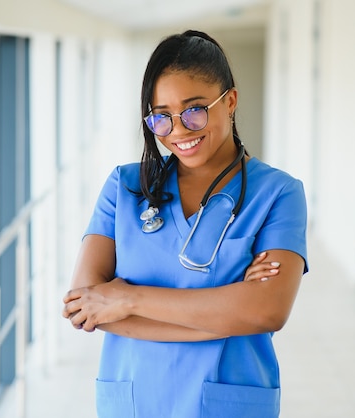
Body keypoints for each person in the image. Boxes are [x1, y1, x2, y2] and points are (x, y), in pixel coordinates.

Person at [62, 29, 308, 418]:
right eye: (162, 117)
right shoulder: (124, 186)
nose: (178, 130)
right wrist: (225, 315)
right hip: (134, 400)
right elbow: (83, 306)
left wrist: (127, 298)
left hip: (228, 403)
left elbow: (265, 312)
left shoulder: (278, 193)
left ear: (230, 102)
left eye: (194, 110)